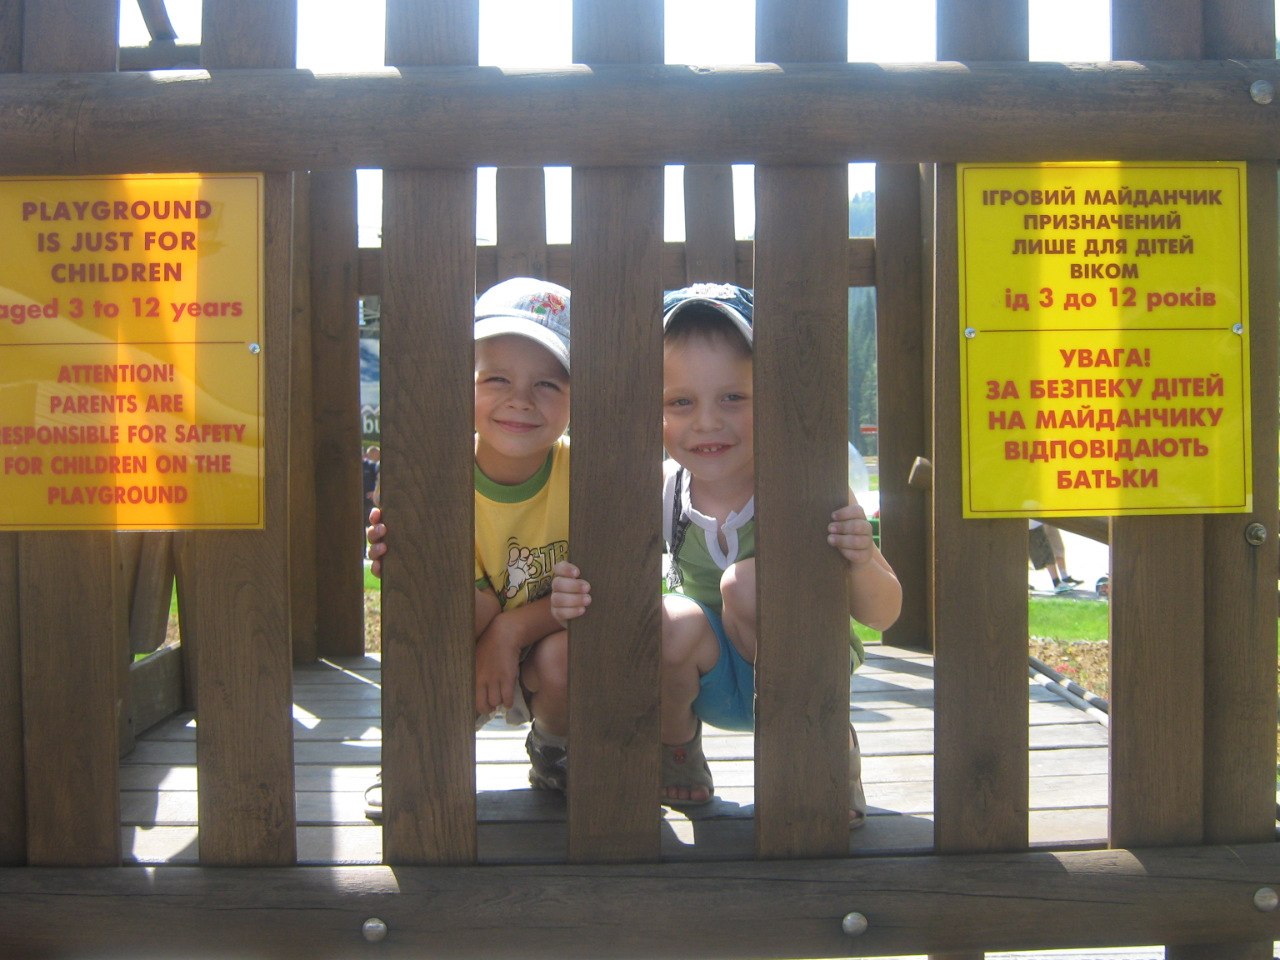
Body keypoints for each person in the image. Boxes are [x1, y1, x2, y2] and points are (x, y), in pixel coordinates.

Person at [549, 283, 902, 826]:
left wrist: (857, 559)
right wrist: (573, 592)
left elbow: (883, 614)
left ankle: (824, 751)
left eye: (733, 398)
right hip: (706, 681)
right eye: (680, 402)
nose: (707, 422)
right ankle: (677, 750)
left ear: (772, 397)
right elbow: (614, 592)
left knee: (747, 583)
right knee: (670, 617)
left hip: (804, 680)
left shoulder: (808, 489)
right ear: (654, 411)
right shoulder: (664, 491)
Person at [364, 276, 574, 819]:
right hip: (466, 636)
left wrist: (513, 629)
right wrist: (402, 562)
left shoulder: (584, 471)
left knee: (568, 655)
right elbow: (437, 594)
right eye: (496, 378)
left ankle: (555, 747)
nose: (520, 400)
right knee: (454, 613)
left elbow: (600, 589)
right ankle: (423, 746)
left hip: (550, 635)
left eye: (547, 384)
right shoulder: (430, 471)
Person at [1028, 520, 1080, 594]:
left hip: (1039, 522)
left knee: (1051, 550)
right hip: (1032, 525)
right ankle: (1057, 583)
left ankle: (1059, 581)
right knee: (1045, 553)